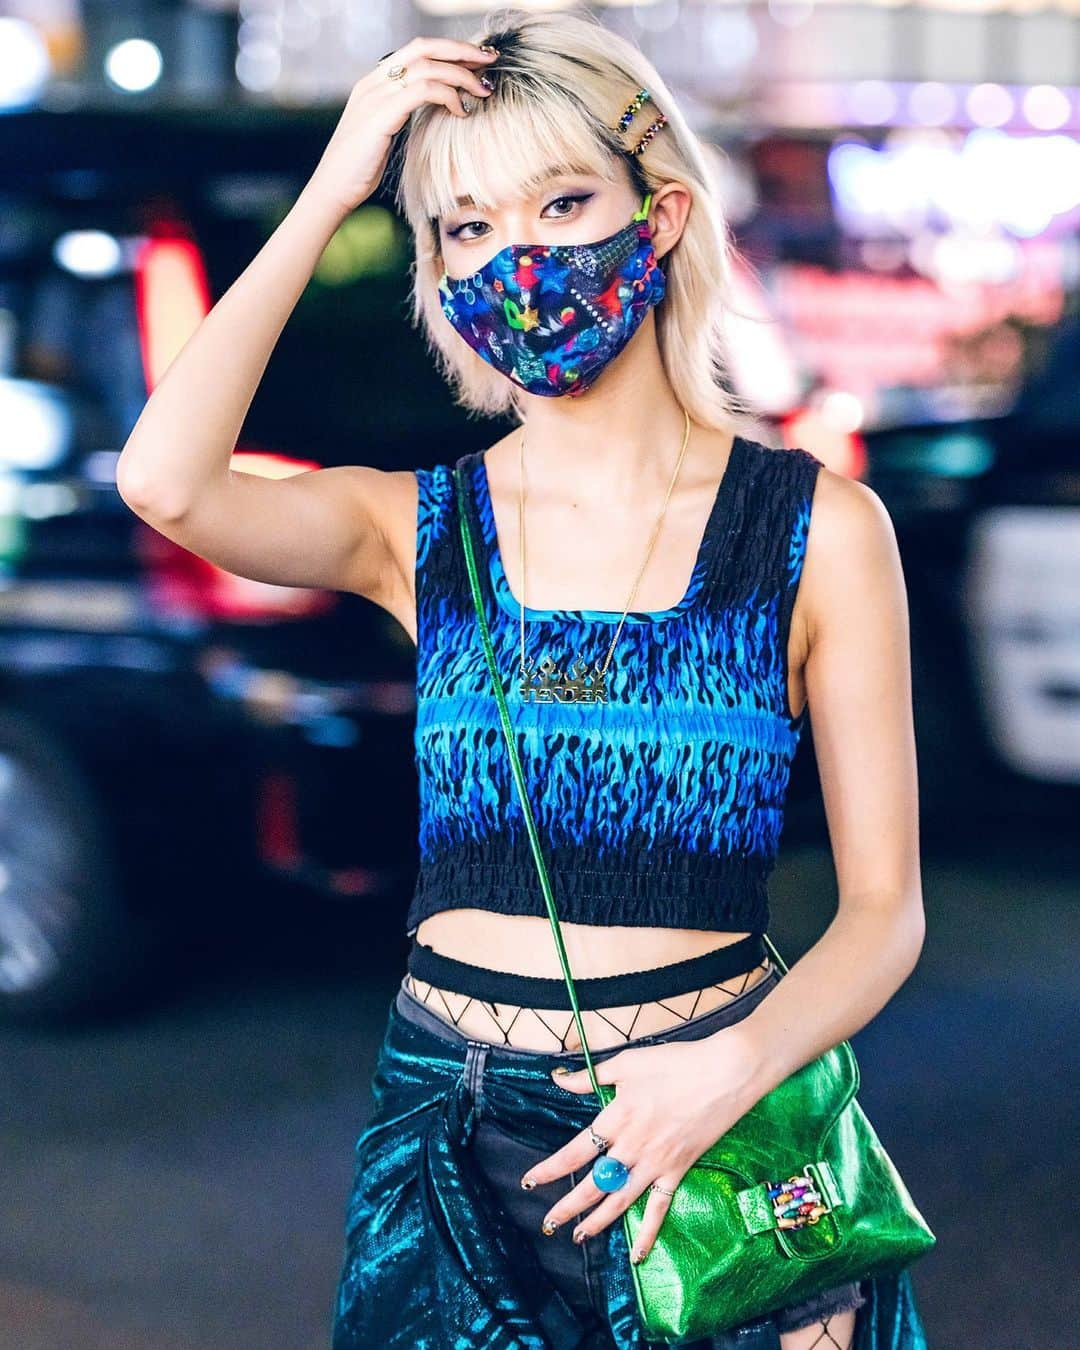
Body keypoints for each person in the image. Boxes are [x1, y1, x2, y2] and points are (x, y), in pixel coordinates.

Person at [116, 8, 932, 1348]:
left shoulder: (818, 531)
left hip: (704, 1126)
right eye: (467, 228)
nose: (520, 258)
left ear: (657, 214)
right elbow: (166, 480)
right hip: (444, 1117)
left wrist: (721, 1073)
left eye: (562, 201)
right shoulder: (414, 525)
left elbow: (885, 910)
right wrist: (337, 183)